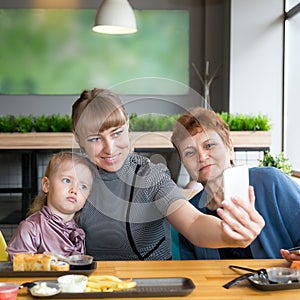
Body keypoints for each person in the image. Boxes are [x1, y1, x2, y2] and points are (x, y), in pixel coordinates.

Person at [71, 88, 264, 261]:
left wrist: (230, 235)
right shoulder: (71, 179)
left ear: (128, 124)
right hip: (93, 285)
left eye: (116, 133)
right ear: (79, 139)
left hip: (151, 285)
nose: (110, 148)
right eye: (96, 138)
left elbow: (194, 222)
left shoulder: (150, 176)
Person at [171, 106, 300, 261]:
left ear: (229, 147)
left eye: (209, 145)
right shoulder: (190, 213)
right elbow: (192, 274)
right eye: (190, 153)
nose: (202, 156)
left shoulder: (271, 182)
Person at [6, 151, 94, 260]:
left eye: (83, 186)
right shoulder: (30, 229)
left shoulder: (78, 233)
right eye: (67, 180)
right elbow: (17, 267)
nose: (74, 190)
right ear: (46, 185)